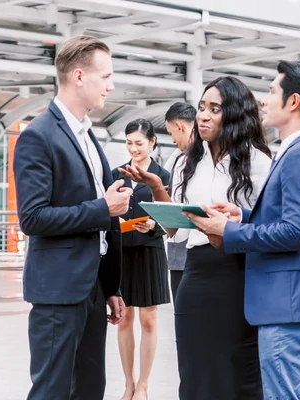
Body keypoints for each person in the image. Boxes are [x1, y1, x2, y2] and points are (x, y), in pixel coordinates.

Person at [186, 61, 300, 400]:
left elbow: (295, 231)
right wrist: (244, 216)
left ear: (293, 102)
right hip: (296, 304)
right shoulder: (299, 151)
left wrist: (229, 232)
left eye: (271, 92)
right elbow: (292, 220)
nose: (264, 101)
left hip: (290, 305)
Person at [120, 76, 271, 400]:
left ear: (234, 115)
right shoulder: (186, 162)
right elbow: (174, 229)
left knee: (238, 369)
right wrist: (157, 188)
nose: (203, 115)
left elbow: (266, 226)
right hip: (196, 272)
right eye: (202, 107)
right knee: (194, 371)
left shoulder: (258, 162)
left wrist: (230, 226)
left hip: (240, 274)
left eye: (214, 109)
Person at [13, 35, 131, 400]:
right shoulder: (39, 136)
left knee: (91, 389)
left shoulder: (88, 136)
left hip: (92, 288)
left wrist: (110, 287)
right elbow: (32, 218)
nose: (111, 86)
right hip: (58, 292)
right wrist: (102, 208)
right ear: (79, 76)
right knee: (52, 391)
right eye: (105, 76)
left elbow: (103, 221)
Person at [111, 119, 170, 400]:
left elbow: (172, 218)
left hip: (150, 250)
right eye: (129, 142)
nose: (134, 148)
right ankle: (128, 384)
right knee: (123, 319)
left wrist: (154, 226)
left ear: (152, 143)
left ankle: (144, 385)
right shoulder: (116, 175)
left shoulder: (162, 175)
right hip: (121, 251)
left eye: (139, 143)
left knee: (148, 319)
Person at [163, 102, 196, 303]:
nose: (173, 140)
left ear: (180, 126)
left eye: (171, 133)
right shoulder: (180, 158)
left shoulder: (187, 159)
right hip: (185, 252)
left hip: (185, 253)